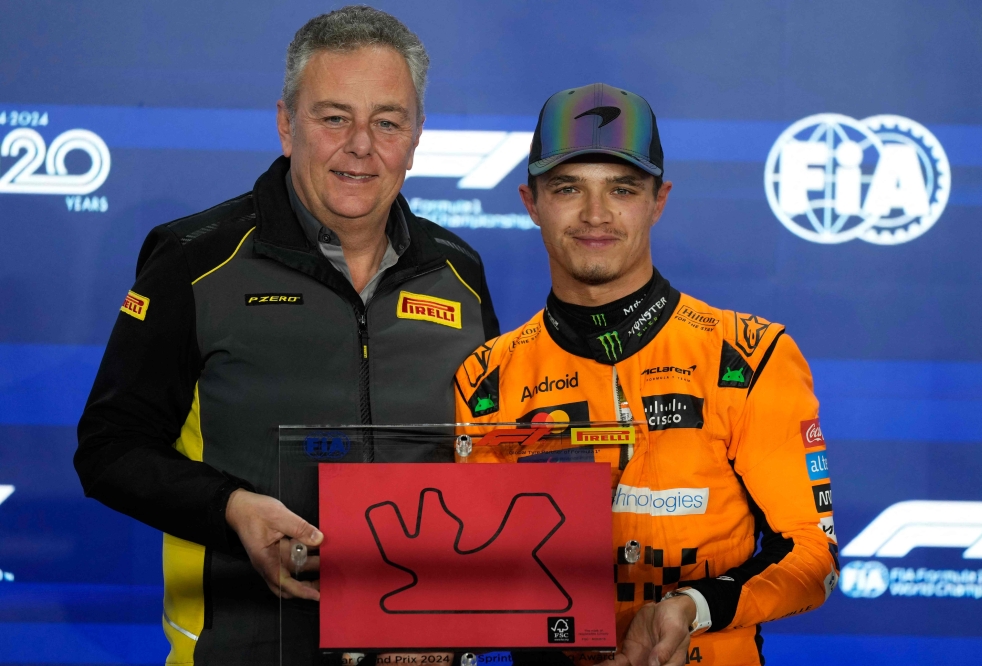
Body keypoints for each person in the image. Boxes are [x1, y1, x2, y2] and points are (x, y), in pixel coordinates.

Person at [75, 6, 498, 665]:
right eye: (334, 118)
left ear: (415, 138)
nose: (361, 144)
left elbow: (484, 464)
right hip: (238, 649)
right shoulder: (194, 261)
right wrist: (232, 510)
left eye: (387, 121)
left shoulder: (458, 273)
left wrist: (453, 620)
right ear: (285, 124)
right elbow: (108, 450)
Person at [454, 83, 839, 666]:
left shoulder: (748, 356)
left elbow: (814, 556)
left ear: (658, 201)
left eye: (622, 189)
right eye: (567, 188)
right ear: (530, 203)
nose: (595, 215)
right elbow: (472, 564)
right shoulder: (487, 378)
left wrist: (691, 606)